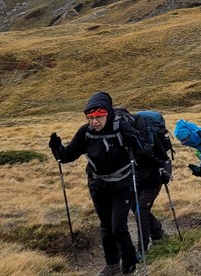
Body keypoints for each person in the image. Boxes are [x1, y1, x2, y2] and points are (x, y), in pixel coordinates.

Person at [48, 92, 152, 276]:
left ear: (107, 114)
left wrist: (136, 143)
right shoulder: (85, 132)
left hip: (122, 184)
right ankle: (112, 264)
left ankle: (129, 264)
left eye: (98, 117)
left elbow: (144, 152)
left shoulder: (122, 128)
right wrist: (57, 149)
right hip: (98, 185)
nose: (94, 122)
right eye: (90, 118)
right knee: (106, 226)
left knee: (118, 227)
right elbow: (68, 156)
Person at [132, 113, 173, 248]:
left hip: (153, 179)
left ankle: (142, 248)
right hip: (137, 178)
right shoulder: (126, 136)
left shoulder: (149, 135)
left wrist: (165, 173)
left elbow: (164, 159)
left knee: (141, 211)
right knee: (136, 207)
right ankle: (156, 231)